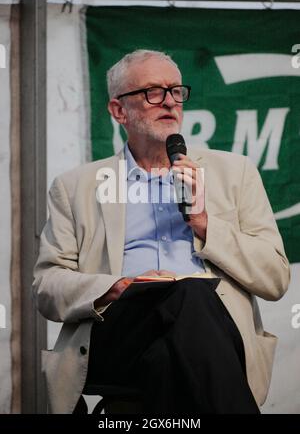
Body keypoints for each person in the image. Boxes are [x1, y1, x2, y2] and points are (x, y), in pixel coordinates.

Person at [33, 49, 290, 414]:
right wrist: (117, 287)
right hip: (120, 331)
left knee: (169, 349)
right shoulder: (76, 186)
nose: (169, 102)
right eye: (153, 92)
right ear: (119, 110)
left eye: (176, 91)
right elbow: (46, 287)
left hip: (210, 337)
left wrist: (203, 223)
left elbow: (276, 278)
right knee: (188, 295)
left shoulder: (235, 173)